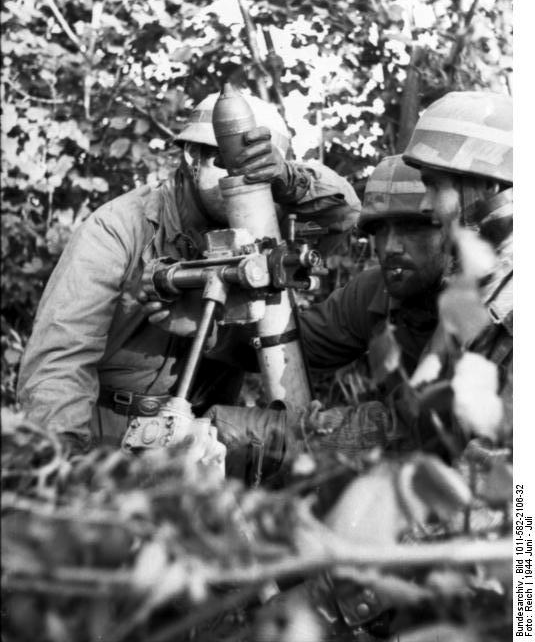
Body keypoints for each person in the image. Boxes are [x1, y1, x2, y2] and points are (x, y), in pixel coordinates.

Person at [16, 90, 361, 454]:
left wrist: (289, 180)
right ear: (191, 156)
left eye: (256, 171)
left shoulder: (263, 224)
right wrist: (62, 460)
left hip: (207, 435)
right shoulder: (120, 228)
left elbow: (346, 214)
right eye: (225, 162)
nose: (239, 179)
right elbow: (60, 359)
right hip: (109, 435)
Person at [203, 155, 450, 480]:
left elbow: (420, 426)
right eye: (379, 230)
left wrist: (276, 436)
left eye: (412, 228)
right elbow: (286, 347)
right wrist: (206, 326)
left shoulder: (492, 304)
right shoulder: (375, 292)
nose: (390, 246)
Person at [402, 90, 513, 444]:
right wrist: (300, 434)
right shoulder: (481, 284)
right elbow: (417, 421)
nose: (425, 206)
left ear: (489, 186)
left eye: (435, 187)